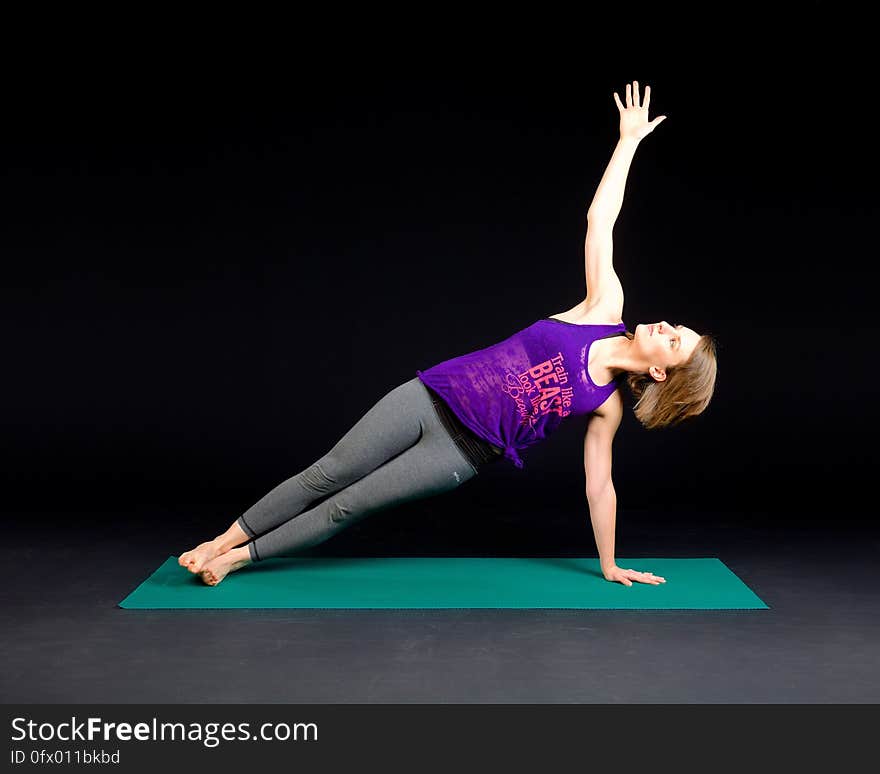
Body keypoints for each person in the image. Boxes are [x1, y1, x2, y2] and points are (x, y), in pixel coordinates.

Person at [179, 80, 718, 588]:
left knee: (351, 504)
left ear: (659, 372)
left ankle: (235, 560)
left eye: (674, 341)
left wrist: (609, 563)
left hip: (461, 454)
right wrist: (627, 144)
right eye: (675, 328)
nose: (666, 327)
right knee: (327, 474)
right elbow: (600, 220)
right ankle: (218, 540)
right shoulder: (605, 307)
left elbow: (600, 487)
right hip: (431, 395)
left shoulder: (607, 407)